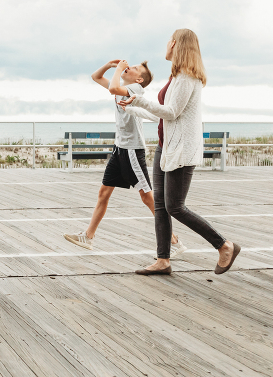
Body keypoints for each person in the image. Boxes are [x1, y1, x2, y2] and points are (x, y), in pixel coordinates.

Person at [119, 29, 241, 275]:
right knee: (162, 206)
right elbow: (160, 114)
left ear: (174, 44)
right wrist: (132, 108)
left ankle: (225, 245)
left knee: (175, 206)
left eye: (168, 40)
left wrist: (138, 101)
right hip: (166, 148)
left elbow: (172, 112)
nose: (166, 44)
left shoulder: (187, 77)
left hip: (181, 151)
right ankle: (163, 260)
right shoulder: (177, 77)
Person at [64, 59, 185, 258]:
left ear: (138, 78)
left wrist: (119, 69)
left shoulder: (135, 89)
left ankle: (173, 241)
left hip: (132, 151)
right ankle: (88, 236)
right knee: (103, 193)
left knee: (147, 198)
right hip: (119, 149)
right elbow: (96, 77)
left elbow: (112, 89)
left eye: (135, 68)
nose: (130, 67)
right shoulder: (123, 87)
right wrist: (108, 66)